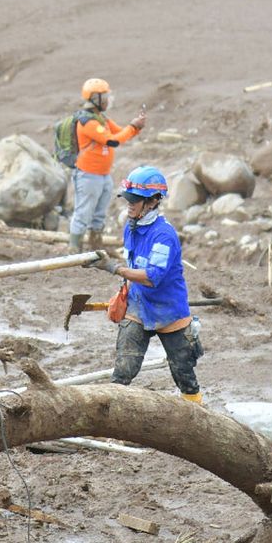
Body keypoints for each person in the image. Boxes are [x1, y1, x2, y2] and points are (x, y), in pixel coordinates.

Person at [84, 166, 203, 404]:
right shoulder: (131, 228)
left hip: (169, 311)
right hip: (138, 306)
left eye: (135, 200)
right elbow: (134, 267)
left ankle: (198, 414)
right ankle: (109, 418)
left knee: (184, 374)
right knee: (123, 371)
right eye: (128, 199)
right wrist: (124, 292)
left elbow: (151, 277)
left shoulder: (164, 236)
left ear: (153, 201)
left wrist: (114, 268)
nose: (129, 204)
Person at [68, 78, 145, 253]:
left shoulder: (101, 118)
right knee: (82, 213)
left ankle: (96, 248)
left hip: (103, 175)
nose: (108, 100)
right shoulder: (88, 122)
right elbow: (112, 140)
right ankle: (73, 250)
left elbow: (119, 132)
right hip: (88, 175)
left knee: (99, 215)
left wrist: (135, 127)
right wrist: (133, 127)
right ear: (95, 98)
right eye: (105, 97)